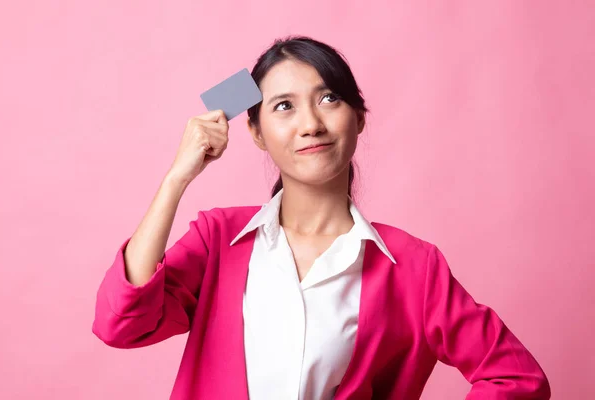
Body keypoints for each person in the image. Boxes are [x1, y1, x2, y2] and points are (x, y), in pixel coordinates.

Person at [92, 36, 550, 399]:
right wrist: (176, 178)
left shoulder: (414, 267)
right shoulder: (218, 240)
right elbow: (123, 324)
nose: (310, 123)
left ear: (359, 117)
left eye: (329, 98)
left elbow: (516, 379)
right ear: (255, 132)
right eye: (283, 106)